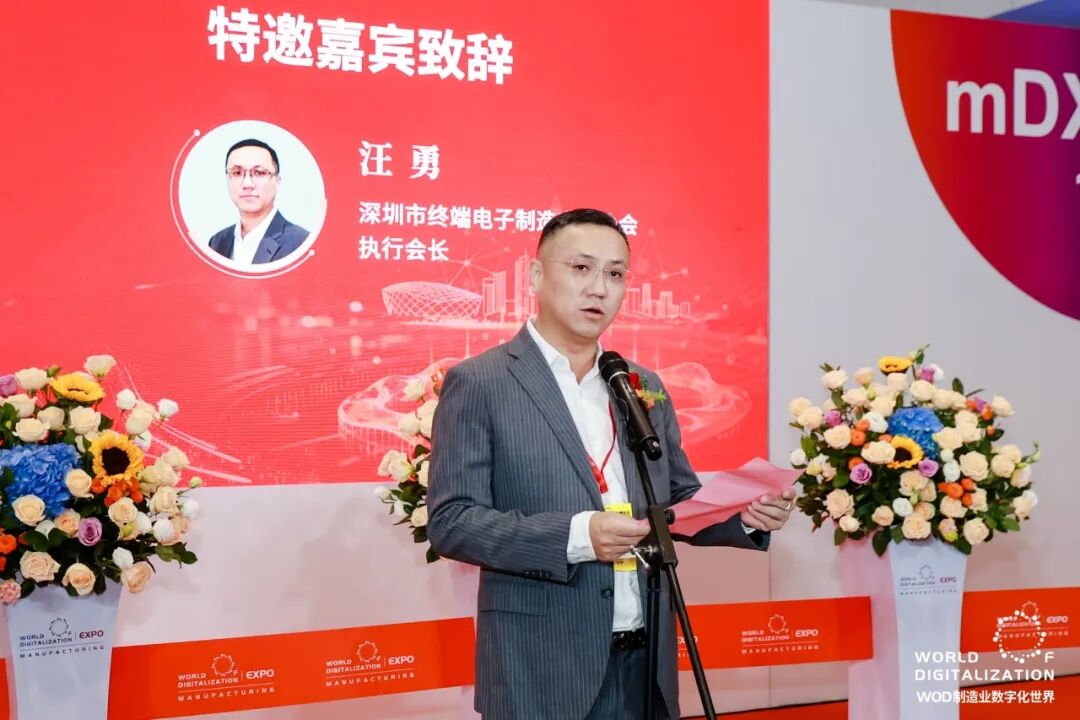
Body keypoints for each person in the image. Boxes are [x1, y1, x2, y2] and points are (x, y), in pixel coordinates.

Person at [427, 208, 795, 719]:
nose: (599, 288)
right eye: (581, 268)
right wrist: (578, 536)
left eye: (616, 273)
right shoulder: (481, 382)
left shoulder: (639, 385)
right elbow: (452, 522)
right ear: (535, 275)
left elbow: (676, 501)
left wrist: (744, 516)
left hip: (645, 664)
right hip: (542, 666)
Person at [207, 139, 308, 265]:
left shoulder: (301, 242)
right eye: (237, 173)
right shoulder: (217, 242)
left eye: (259, 173)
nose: (247, 184)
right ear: (227, 179)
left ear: (277, 181)